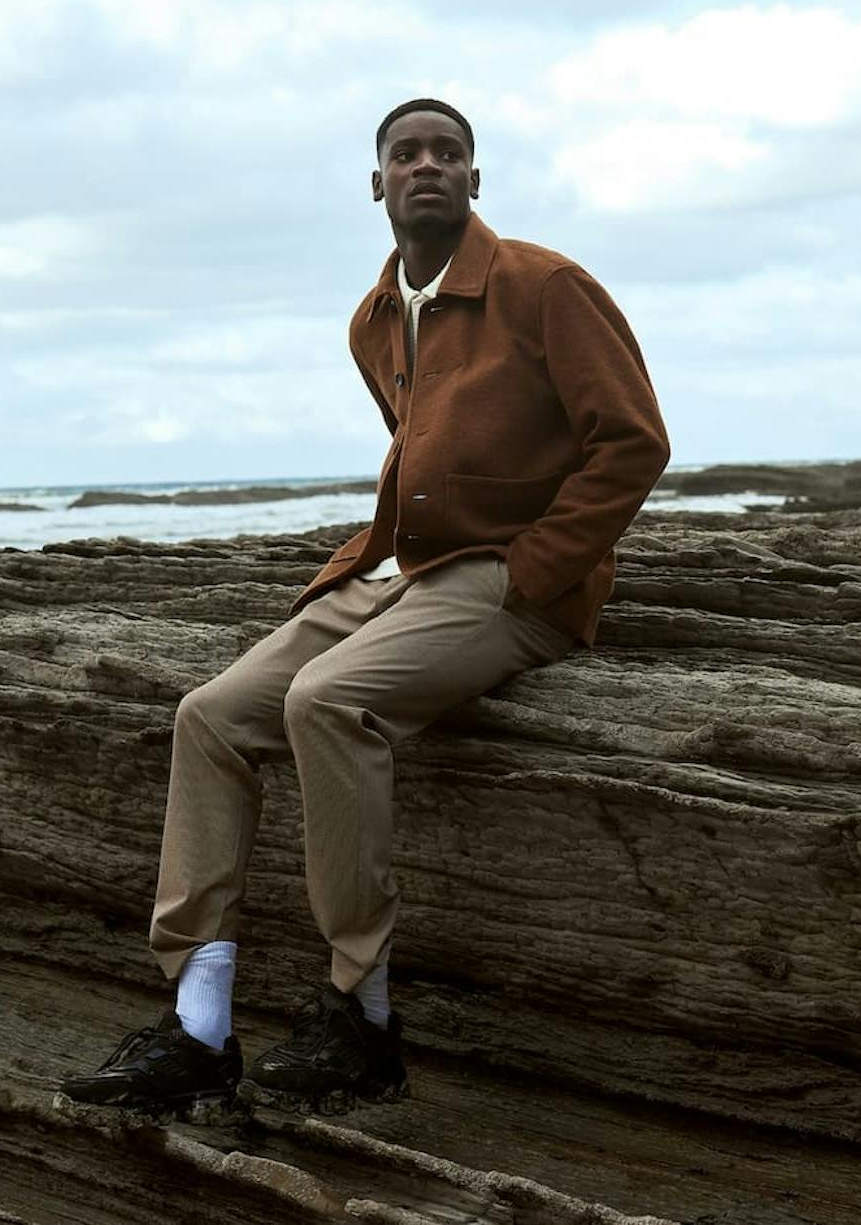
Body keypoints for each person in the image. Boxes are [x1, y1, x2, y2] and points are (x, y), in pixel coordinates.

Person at [59, 98, 670, 1116]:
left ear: (475, 179)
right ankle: (199, 1025)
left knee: (327, 701)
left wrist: (537, 569)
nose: (428, 164)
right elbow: (421, 444)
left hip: (512, 579)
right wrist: (373, 567)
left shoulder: (546, 285)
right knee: (210, 715)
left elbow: (634, 442)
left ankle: (362, 1018)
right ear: (376, 182)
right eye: (406, 153)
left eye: (449, 153)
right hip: (406, 571)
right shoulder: (374, 317)